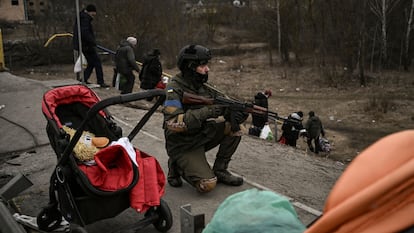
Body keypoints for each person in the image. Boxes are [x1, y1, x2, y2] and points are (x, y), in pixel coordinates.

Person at [162, 44, 248, 193]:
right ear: (190, 67)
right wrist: (209, 111)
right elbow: (173, 123)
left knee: (236, 128)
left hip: (199, 135)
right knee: (207, 185)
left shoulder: (204, 86)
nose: (207, 69)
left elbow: (223, 102)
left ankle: (220, 170)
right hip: (181, 144)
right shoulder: (173, 89)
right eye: (202, 65)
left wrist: (239, 112)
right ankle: (176, 165)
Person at [73, 4, 109, 88]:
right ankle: (100, 81)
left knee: (91, 63)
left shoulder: (82, 18)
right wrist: (92, 41)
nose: (93, 17)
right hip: (86, 45)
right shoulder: (85, 19)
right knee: (97, 62)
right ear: (89, 12)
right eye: (93, 15)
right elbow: (85, 33)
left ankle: (84, 79)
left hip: (83, 44)